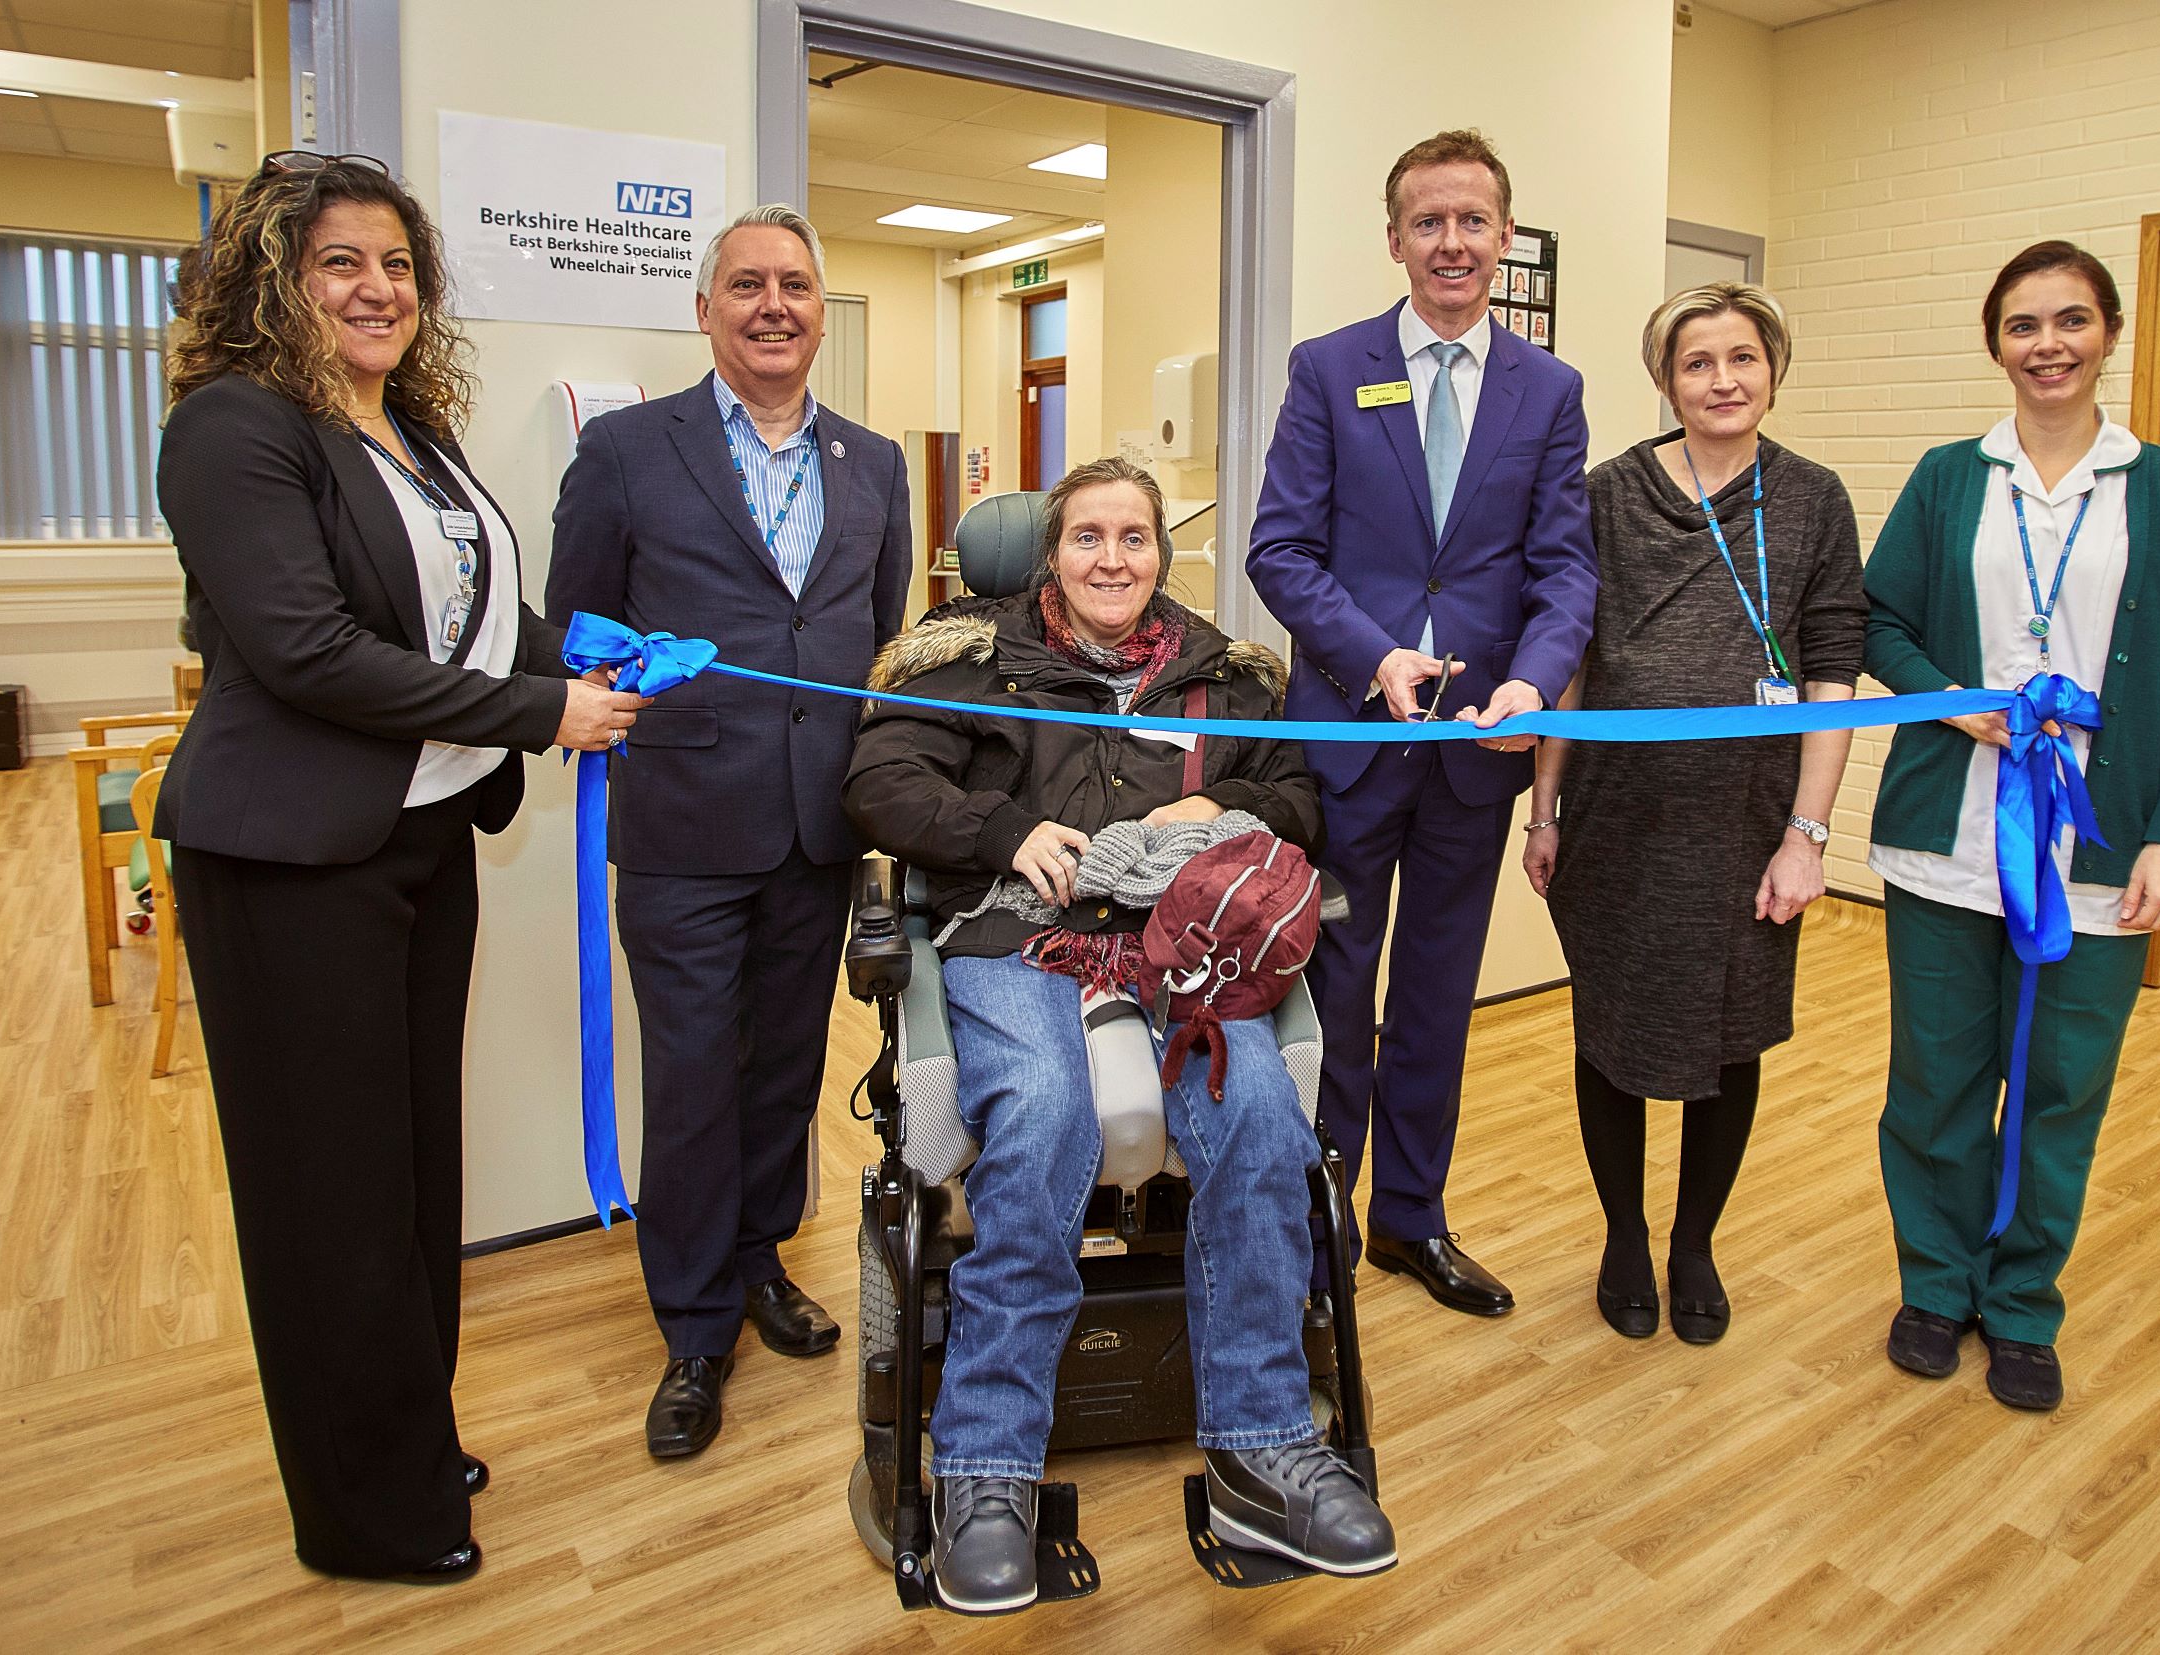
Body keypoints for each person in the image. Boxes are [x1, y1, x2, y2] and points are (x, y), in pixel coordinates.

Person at [155, 152, 645, 1582]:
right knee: (330, 1196)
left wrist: (584, 652)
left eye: (395, 266)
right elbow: (309, 650)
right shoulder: (233, 429)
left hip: (420, 840)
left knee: (412, 1172)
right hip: (287, 857)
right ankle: (365, 1506)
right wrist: (538, 710)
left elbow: (482, 617)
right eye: (338, 264)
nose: (378, 290)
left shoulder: (413, 433)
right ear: (272, 281)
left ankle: (404, 1433)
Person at [843, 458, 1396, 1614]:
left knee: (1257, 1113)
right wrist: (1002, 828)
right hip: (1019, 935)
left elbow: (1299, 796)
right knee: (1041, 1114)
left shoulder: (1225, 675)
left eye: (1133, 537)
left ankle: (1264, 1444)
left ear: (1160, 552)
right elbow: (882, 783)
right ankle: (988, 1467)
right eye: (1087, 535)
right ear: (1050, 552)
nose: (1112, 557)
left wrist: (1226, 811)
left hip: (1184, 947)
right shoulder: (965, 658)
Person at [546, 204, 912, 1459]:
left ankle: (760, 1261)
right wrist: (602, 683)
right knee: (694, 1078)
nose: (773, 305)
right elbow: (572, 626)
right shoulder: (630, 453)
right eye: (746, 285)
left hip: (819, 823)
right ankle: (694, 1327)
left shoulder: (874, 464)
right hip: (683, 822)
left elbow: (878, 635)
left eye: (796, 287)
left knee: (778, 1069)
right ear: (705, 310)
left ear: (820, 313)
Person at [1863, 240, 2160, 1410]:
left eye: (2071, 321)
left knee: (2062, 1080)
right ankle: (1937, 1284)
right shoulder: (1947, 476)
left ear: (2111, 335)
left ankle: (2022, 1300)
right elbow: (1877, 619)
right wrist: (1952, 693)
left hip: (2100, 834)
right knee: (1934, 1080)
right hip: (1948, 833)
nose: (2049, 345)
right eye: (2025, 325)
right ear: (1997, 343)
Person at [1247, 129, 1596, 1315]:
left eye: (1473, 221)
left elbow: (1564, 574)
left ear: (1505, 237)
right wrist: (1370, 654)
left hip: (1475, 758)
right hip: (1348, 743)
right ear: (1394, 239)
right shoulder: (1329, 369)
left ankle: (1411, 1219)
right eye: (1428, 221)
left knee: (1438, 994)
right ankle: (1320, 1226)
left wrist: (1535, 682)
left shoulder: (1549, 392)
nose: (1453, 242)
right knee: (1337, 989)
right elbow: (1278, 550)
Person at [1522, 283, 1866, 1345]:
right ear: (1667, 380)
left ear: (1774, 368)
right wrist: (1543, 808)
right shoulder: (1606, 494)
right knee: (1611, 1031)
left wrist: (1808, 836)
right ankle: (1625, 1233)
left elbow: (1833, 673)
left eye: (1743, 359)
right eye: (1699, 362)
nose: (1723, 379)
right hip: (1620, 819)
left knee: (1732, 1038)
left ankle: (1694, 1241)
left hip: (1750, 822)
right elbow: (1569, 659)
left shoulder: (1812, 497)